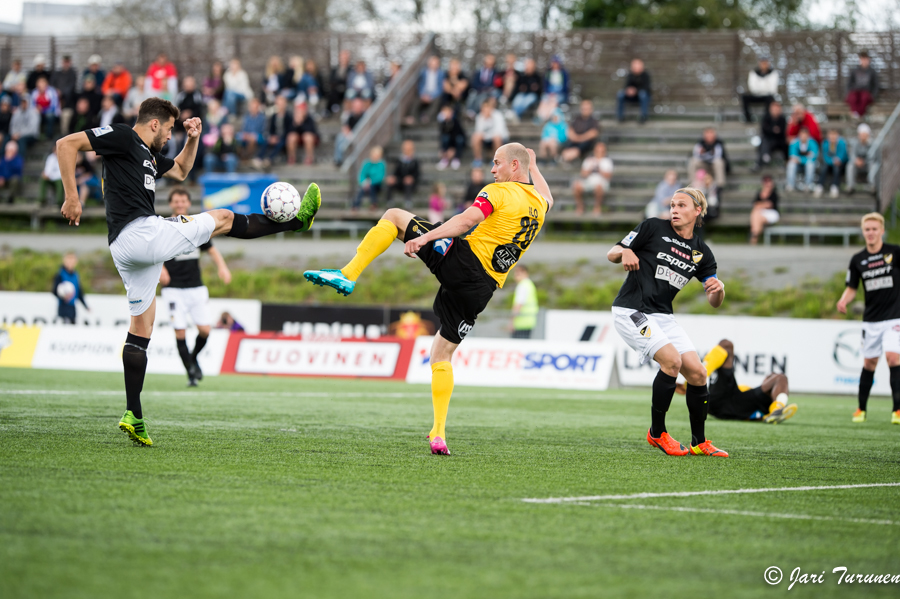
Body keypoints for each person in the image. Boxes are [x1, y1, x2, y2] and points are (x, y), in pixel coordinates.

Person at [56, 97, 322, 446]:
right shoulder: (122, 136)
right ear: (154, 123)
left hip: (128, 249)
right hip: (142, 234)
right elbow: (66, 143)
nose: (169, 136)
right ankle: (297, 223)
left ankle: (133, 414)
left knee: (141, 328)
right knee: (224, 218)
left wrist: (193, 138)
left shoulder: (148, 156)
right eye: (168, 130)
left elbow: (180, 170)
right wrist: (71, 195)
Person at [303, 143, 553, 456]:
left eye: (497, 163)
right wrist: (535, 166)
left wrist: (426, 237)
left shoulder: (499, 192)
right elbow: (548, 196)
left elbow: (465, 221)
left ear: (515, 166)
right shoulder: (539, 205)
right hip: (483, 290)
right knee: (441, 355)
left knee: (394, 216)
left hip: (464, 262)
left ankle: (349, 273)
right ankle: (438, 432)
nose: (492, 169)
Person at [607, 188, 727, 457]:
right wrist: (624, 252)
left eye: (681, 205)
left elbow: (715, 301)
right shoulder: (652, 227)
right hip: (631, 309)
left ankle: (699, 441)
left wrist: (718, 290)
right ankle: (657, 433)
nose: (674, 209)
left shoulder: (702, 252)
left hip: (663, 314)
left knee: (698, 373)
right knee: (672, 361)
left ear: (698, 211)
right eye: (672, 204)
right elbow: (612, 252)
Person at [159, 188, 232, 386]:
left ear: (188, 203)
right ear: (171, 204)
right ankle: (191, 373)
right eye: (176, 201)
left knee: (205, 331)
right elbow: (153, 252)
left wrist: (222, 268)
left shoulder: (196, 226)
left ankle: (192, 359)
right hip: (173, 288)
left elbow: (212, 250)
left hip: (196, 288)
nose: (180, 204)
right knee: (180, 332)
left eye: (183, 200)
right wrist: (160, 269)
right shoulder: (164, 226)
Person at [836, 212, 900, 425]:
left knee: (893, 358)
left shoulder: (895, 252)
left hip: (895, 317)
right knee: (869, 363)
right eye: (867, 229)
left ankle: (897, 410)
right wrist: (844, 300)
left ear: (882, 230)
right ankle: (861, 409)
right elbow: (852, 288)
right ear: (863, 232)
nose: (871, 233)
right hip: (871, 319)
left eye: (874, 229)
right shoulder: (858, 260)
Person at [686, 339, 797, 423]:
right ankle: (777, 410)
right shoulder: (757, 398)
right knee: (781, 378)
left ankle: (697, 375)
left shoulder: (757, 397)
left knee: (726, 344)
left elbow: (779, 380)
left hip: (721, 402)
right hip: (730, 405)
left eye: (770, 377)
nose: (770, 376)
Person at [573, 142, 613, 215]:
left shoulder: (607, 161)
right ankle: (580, 207)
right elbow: (583, 174)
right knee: (576, 185)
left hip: (601, 182)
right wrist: (590, 168)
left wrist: (599, 168)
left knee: (599, 187)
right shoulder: (589, 160)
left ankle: (597, 207)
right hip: (589, 181)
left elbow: (608, 176)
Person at [255, 95, 292, 169]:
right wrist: (272, 136)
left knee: (280, 143)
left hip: (284, 137)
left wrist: (279, 137)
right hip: (275, 136)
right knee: (266, 141)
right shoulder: (274, 116)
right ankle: (259, 158)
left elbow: (289, 130)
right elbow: (271, 129)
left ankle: (269, 159)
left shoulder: (288, 116)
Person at [52, 252, 89, 325]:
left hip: (72, 308)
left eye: (72, 261)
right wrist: (63, 296)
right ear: (64, 261)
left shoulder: (76, 275)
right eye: (68, 261)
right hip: (63, 307)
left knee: (73, 327)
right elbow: (54, 291)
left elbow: (79, 292)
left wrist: (85, 306)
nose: (70, 263)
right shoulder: (60, 274)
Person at [471, 99, 508, 168]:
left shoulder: (498, 115)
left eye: (487, 107)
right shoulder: (480, 117)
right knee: (475, 137)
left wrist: (485, 135)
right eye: (483, 107)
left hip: (500, 139)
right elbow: (478, 132)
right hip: (487, 139)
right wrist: (484, 119)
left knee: (496, 138)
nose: (485, 109)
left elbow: (499, 132)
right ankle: (478, 160)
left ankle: (496, 160)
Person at [741, 56, 778, 123]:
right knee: (744, 97)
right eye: (762, 63)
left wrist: (760, 86)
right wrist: (765, 85)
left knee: (770, 99)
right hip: (756, 96)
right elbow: (752, 88)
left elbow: (772, 89)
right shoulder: (753, 73)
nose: (764, 65)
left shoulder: (773, 73)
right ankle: (748, 119)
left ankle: (766, 120)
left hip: (767, 97)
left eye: (765, 63)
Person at [385, 140, 420, 209]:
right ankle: (389, 201)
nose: (407, 151)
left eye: (408, 149)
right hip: (400, 181)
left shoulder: (415, 161)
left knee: (408, 182)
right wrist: (393, 177)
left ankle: (408, 201)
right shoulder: (400, 160)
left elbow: (417, 174)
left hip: (410, 184)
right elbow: (396, 172)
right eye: (405, 149)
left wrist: (411, 178)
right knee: (390, 181)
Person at [815, 129, 847, 199]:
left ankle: (834, 186)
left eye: (834, 135)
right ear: (828, 136)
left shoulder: (842, 143)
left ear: (837, 136)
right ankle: (820, 185)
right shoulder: (825, 144)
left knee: (836, 167)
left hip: (840, 165)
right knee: (824, 167)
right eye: (831, 135)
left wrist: (838, 160)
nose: (832, 137)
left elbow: (843, 155)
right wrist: (833, 161)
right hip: (829, 164)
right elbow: (825, 157)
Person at [616, 58, 651, 123]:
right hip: (631, 97)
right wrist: (629, 91)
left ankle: (643, 116)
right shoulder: (630, 75)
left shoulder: (646, 75)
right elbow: (626, 86)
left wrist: (636, 90)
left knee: (642, 94)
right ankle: (620, 117)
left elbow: (647, 88)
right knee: (620, 94)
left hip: (642, 97)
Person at [755, 101, 788, 170]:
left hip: (779, 141)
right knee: (764, 142)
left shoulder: (782, 118)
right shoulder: (766, 117)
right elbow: (764, 130)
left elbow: (782, 131)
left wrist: (772, 130)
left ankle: (787, 162)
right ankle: (762, 159)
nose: (776, 111)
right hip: (769, 140)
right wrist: (773, 130)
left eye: (777, 109)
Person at [535, 55, 569, 121]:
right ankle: (539, 116)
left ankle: (546, 117)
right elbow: (545, 85)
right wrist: (550, 93)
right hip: (549, 93)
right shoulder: (548, 73)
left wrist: (556, 93)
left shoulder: (564, 73)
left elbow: (565, 87)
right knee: (544, 100)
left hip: (560, 94)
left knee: (553, 101)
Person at [333, 97, 365, 166]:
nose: (356, 107)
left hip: (361, 134)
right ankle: (338, 159)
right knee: (340, 138)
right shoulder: (349, 115)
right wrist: (349, 134)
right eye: (355, 106)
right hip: (351, 134)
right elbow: (345, 127)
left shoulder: (365, 115)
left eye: (358, 106)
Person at [846, 50, 878, 118]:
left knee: (864, 98)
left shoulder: (872, 72)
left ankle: (858, 115)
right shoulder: (855, 71)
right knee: (852, 97)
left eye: (865, 59)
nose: (864, 61)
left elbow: (876, 85)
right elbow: (849, 83)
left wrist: (873, 95)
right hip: (856, 91)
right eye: (862, 59)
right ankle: (855, 114)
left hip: (866, 92)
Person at [413, 55, 444, 124]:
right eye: (432, 63)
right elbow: (420, 84)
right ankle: (412, 117)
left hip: (435, 94)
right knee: (416, 100)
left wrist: (431, 96)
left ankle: (427, 117)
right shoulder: (423, 72)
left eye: (435, 63)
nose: (433, 65)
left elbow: (440, 88)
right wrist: (422, 94)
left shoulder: (441, 74)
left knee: (437, 101)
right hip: (424, 93)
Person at [786, 127, 819, 192]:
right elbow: (792, 156)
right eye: (802, 134)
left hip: (808, 164)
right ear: (799, 135)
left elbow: (813, 157)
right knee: (791, 164)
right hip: (798, 165)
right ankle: (790, 185)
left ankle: (808, 185)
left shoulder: (813, 143)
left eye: (805, 135)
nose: (803, 137)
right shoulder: (794, 142)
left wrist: (800, 159)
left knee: (810, 164)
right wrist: (806, 157)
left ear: (808, 135)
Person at [353, 145, 386, 210]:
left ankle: (374, 204)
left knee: (372, 187)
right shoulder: (367, 163)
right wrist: (364, 182)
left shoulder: (381, 164)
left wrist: (370, 182)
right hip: (366, 184)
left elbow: (380, 177)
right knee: (361, 190)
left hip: (377, 185)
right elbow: (362, 175)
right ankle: (355, 205)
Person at [749, 175, 779, 245]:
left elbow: (769, 205)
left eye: (769, 181)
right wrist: (763, 205)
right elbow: (755, 204)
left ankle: (754, 236)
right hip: (761, 213)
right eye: (766, 182)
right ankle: (755, 234)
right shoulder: (759, 193)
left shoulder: (774, 193)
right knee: (756, 213)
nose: (767, 184)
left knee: (756, 214)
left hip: (772, 213)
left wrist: (760, 205)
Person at [51, 56, 78, 134]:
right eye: (64, 62)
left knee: (65, 115)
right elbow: (52, 84)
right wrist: (56, 92)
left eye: (67, 62)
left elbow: (71, 87)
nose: (66, 64)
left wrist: (61, 92)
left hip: (67, 103)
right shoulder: (57, 73)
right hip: (55, 102)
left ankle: (64, 134)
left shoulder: (72, 74)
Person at [511, 264, 538, 339]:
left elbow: (519, 305)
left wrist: (511, 321)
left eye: (519, 272)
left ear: (525, 273)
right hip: (529, 322)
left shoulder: (522, 285)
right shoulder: (529, 284)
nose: (516, 275)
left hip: (521, 324)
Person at [437, 103, 465, 170]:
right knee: (445, 138)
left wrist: (452, 148)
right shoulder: (443, 123)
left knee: (459, 139)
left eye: (448, 111)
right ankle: (445, 158)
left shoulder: (456, 122)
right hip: (448, 143)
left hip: (456, 143)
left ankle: (456, 158)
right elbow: (442, 135)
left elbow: (458, 134)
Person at [846, 123, 873, 194]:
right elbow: (852, 154)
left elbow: (872, 156)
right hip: (857, 165)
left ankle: (872, 187)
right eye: (862, 134)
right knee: (850, 166)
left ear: (868, 135)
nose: (863, 136)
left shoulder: (872, 144)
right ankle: (850, 187)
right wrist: (856, 160)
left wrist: (864, 161)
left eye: (865, 134)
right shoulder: (855, 143)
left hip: (867, 165)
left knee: (873, 165)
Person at [327, 50, 352, 114]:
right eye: (342, 58)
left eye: (345, 58)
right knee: (332, 93)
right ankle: (332, 110)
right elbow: (331, 80)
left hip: (346, 89)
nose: (343, 59)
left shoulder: (351, 69)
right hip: (336, 90)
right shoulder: (335, 69)